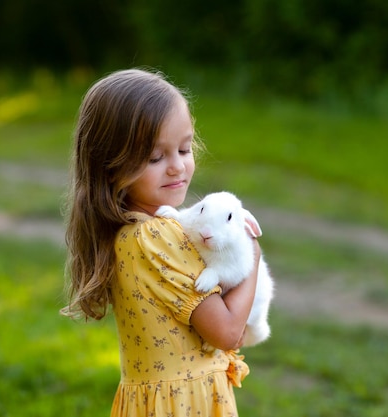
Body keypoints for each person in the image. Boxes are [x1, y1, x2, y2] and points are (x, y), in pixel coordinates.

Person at [61, 68, 260, 416]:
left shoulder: (127, 232)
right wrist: (252, 254)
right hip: (184, 406)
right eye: (155, 158)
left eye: (184, 149)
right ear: (111, 166)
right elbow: (227, 332)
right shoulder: (156, 236)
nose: (177, 167)